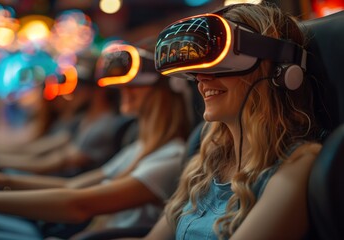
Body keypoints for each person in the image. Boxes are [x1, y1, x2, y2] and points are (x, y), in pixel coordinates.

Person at [0, 41, 193, 240]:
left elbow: (77, 202)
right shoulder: (141, 146)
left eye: (135, 87)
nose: (124, 92)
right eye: (122, 87)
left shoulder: (170, 155)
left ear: (164, 92)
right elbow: (69, 185)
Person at [125, 3, 323, 240]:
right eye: (197, 68)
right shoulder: (205, 162)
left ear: (279, 68)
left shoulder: (299, 163)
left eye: (222, 63)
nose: (201, 78)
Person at [0, 52, 127, 177]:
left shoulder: (103, 125)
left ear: (99, 90)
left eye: (78, 86)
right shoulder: (82, 121)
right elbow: (33, 149)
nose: (69, 93)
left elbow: (47, 161)